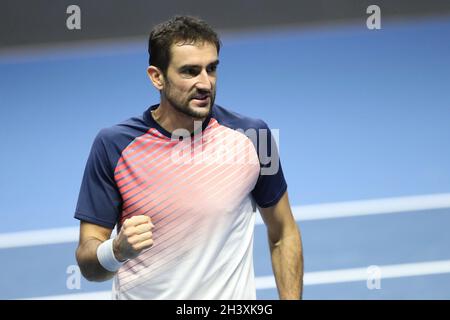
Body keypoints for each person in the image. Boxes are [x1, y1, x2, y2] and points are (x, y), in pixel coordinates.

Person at [74, 15, 303, 300]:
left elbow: (284, 233)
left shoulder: (254, 137)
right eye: (190, 71)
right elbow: (88, 264)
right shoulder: (113, 146)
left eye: (212, 69)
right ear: (156, 77)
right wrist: (116, 251)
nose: (205, 83)